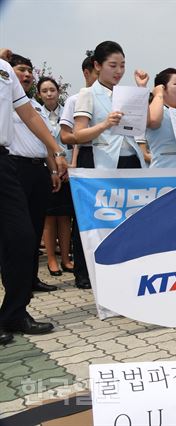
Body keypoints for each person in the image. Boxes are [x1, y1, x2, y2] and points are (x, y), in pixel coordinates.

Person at [0, 48, 68, 345]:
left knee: (22, 237)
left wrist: (55, 149)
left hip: (2, 162)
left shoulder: (5, 72)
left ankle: (14, 312)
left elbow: (26, 112)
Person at [9, 54, 62, 294]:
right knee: (19, 232)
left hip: (38, 170)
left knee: (35, 226)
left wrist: (52, 168)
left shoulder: (34, 108)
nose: (28, 75)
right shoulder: (4, 103)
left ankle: (31, 279)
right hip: (14, 169)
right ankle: (16, 286)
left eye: (30, 71)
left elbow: (44, 141)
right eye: (21, 70)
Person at [74, 41, 147, 169]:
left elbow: (147, 123)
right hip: (106, 162)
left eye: (122, 66)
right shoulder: (88, 93)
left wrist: (141, 89)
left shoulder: (126, 95)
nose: (119, 71)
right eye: (113, 65)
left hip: (133, 159)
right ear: (97, 65)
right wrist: (104, 124)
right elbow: (78, 135)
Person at [59, 53, 99, 289]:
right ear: (88, 72)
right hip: (86, 155)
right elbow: (66, 134)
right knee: (84, 218)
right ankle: (82, 273)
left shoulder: (114, 99)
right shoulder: (75, 100)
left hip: (110, 159)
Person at [38, 77, 74, 277]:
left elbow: (73, 140)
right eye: (45, 90)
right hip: (48, 171)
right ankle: (52, 259)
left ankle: (66, 258)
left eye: (52, 89)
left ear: (58, 92)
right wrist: (53, 170)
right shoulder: (36, 113)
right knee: (49, 217)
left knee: (65, 216)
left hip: (68, 170)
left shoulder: (67, 112)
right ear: (40, 94)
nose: (49, 93)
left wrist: (69, 167)